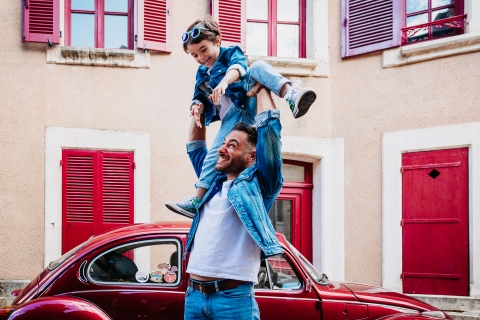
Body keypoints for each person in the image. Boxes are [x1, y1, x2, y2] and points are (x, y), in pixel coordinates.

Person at [165, 17, 316, 218]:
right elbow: (198, 95)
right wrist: (196, 107)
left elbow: (239, 67)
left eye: (203, 50)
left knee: (258, 67)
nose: (201, 58)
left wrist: (225, 82)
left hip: (244, 103)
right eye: (194, 55)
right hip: (232, 118)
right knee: (214, 152)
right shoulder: (202, 72)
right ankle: (198, 199)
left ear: (217, 41)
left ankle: (291, 95)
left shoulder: (229, 52)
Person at [183, 86, 283, 320]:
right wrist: (200, 110)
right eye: (224, 142)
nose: (222, 149)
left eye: (232, 145)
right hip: (194, 296)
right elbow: (196, 149)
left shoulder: (259, 187)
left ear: (251, 157)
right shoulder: (211, 184)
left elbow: (270, 135)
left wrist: (261, 89)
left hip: (234, 299)